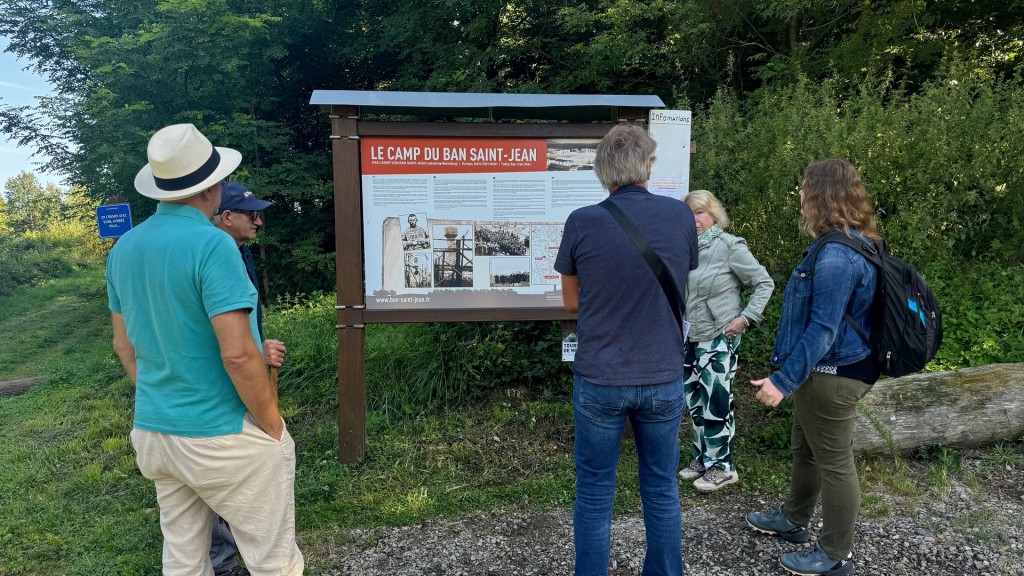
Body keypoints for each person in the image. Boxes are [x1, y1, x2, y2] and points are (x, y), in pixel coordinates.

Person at [106, 123, 304, 575]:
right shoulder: (213, 244)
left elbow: (124, 347)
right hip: (219, 433)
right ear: (212, 187)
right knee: (274, 562)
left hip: (156, 431)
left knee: (183, 557)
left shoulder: (124, 249)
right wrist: (272, 426)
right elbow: (236, 355)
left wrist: (163, 398)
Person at [555, 123, 698, 576]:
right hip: (662, 373)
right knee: (661, 489)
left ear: (603, 171)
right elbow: (682, 277)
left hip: (600, 376)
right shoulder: (679, 217)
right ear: (648, 166)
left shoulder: (583, 221)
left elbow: (573, 302)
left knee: (595, 492)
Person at [746, 159, 880, 576]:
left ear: (820, 195)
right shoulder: (855, 242)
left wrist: (783, 382)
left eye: (805, 188)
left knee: (836, 461)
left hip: (832, 375)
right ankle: (793, 518)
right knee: (806, 448)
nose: (800, 195)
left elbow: (823, 327)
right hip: (824, 371)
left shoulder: (839, 255)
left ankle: (835, 555)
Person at [209, 181, 288, 575]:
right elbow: (211, 331)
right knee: (221, 469)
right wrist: (253, 355)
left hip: (243, 372)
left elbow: (240, 320)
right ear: (226, 217)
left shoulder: (240, 253)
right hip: (220, 383)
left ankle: (229, 554)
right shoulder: (212, 255)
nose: (259, 220)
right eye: (250, 213)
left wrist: (259, 344)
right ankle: (222, 563)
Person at [679, 190, 774, 492]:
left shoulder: (729, 247)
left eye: (700, 212)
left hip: (719, 337)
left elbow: (764, 282)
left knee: (717, 402)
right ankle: (702, 459)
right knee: (695, 401)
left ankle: (723, 467)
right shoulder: (685, 249)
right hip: (689, 337)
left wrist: (746, 318)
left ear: (714, 214)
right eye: (689, 213)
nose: (694, 220)